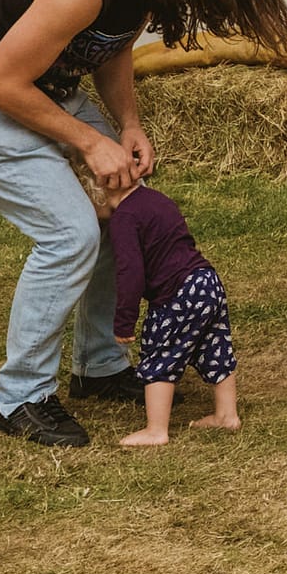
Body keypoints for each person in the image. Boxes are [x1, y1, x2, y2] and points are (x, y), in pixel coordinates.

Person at [0, 0, 287, 447]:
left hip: (46, 88)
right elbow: (0, 84)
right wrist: (88, 140)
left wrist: (127, 124)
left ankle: (98, 367)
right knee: (69, 234)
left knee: (123, 211)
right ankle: (20, 399)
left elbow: (112, 47)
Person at [97, 179, 240, 446]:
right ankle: (226, 414)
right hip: (206, 280)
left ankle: (156, 430)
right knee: (215, 345)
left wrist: (124, 321)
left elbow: (130, 273)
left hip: (176, 293)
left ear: (99, 192)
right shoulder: (155, 197)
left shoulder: (123, 219)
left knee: (160, 351)